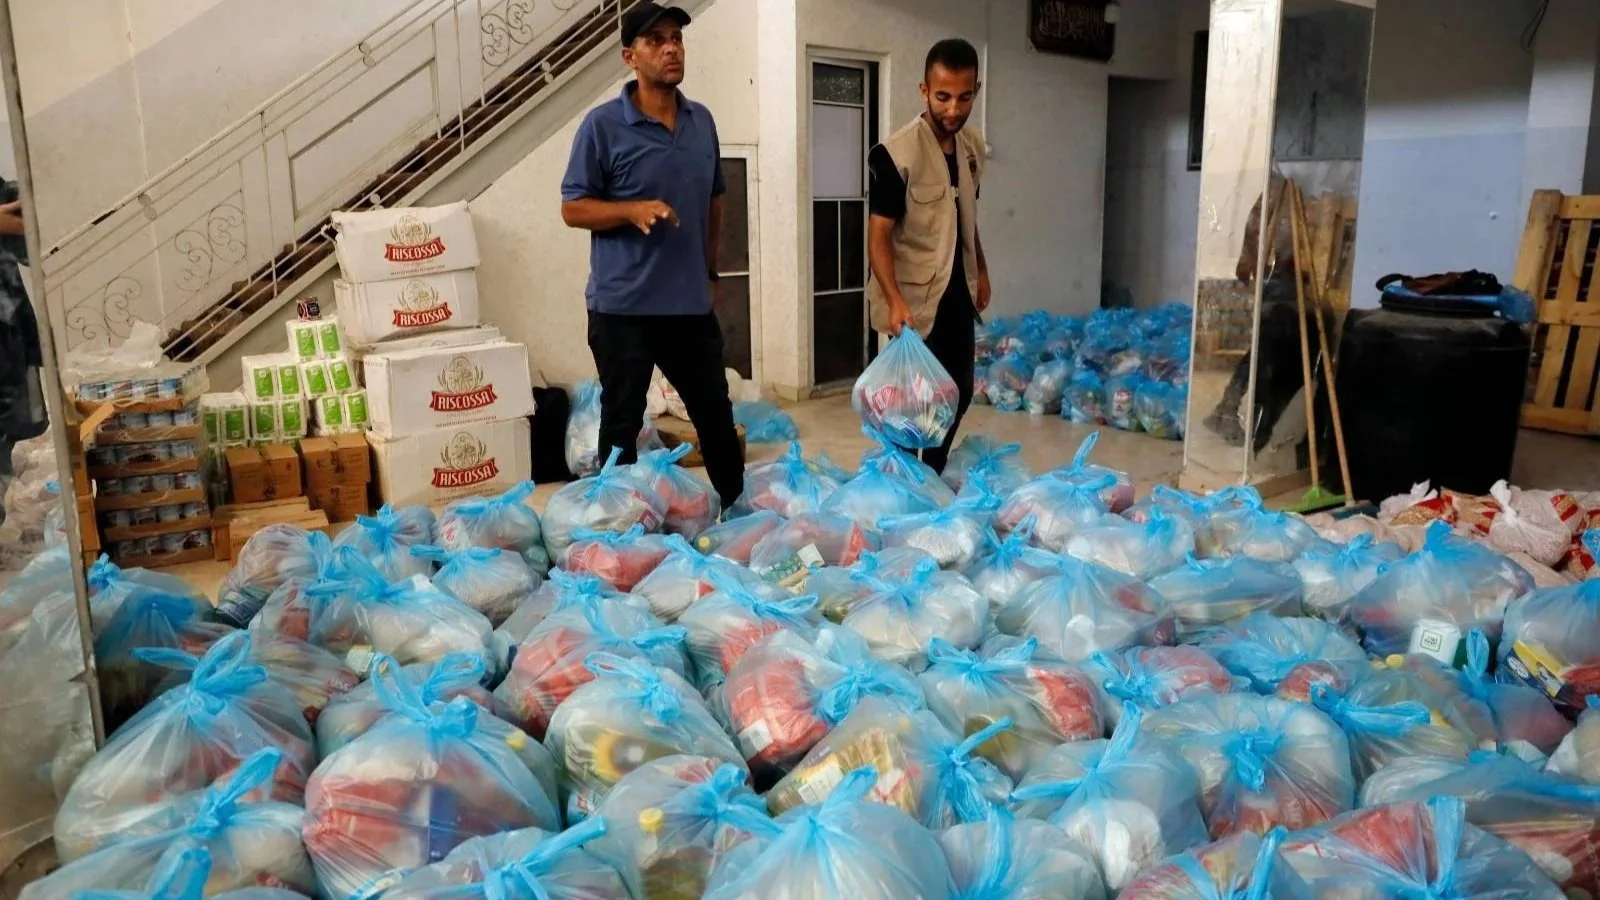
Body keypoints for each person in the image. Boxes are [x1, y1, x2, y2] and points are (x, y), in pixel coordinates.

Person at [559, 2, 743, 506]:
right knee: (622, 426)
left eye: (677, 38)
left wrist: (709, 269)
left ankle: (737, 512)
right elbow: (573, 209)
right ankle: (618, 532)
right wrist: (629, 210)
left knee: (715, 416)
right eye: (656, 40)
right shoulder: (601, 127)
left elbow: (714, 199)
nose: (671, 48)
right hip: (623, 309)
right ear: (629, 56)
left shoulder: (701, 121)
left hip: (688, 306)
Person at [865, 38, 990, 474]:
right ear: (924, 91)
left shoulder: (973, 150)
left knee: (959, 392)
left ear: (976, 90)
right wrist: (894, 299)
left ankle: (929, 473)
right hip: (915, 304)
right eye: (943, 97)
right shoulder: (896, 154)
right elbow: (878, 237)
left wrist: (982, 271)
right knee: (912, 404)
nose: (953, 109)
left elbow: (965, 216)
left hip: (958, 294)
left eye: (964, 96)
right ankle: (903, 481)